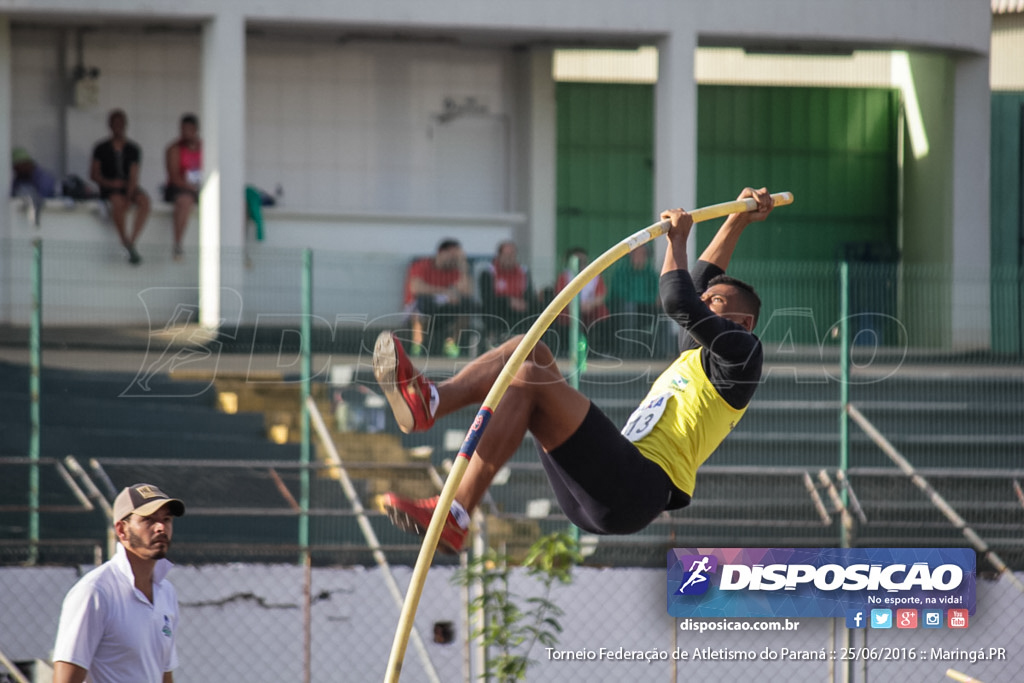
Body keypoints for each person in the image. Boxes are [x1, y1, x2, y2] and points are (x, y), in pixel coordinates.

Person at [374, 187, 774, 553]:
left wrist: (678, 240)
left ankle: (457, 512)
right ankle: (432, 404)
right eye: (706, 298)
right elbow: (699, 281)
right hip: (603, 488)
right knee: (527, 353)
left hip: (639, 488)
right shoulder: (700, 352)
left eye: (716, 300)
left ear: (744, 323)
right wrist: (736, 219)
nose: (706, 300)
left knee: (530, 379)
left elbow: (677, 297)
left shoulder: (741, 354)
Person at [52, 483, 185, 683]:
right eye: (148, 520)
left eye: (166, 519)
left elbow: (164, 675)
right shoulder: (95, 591)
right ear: (121, 530)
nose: (161, 527)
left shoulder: (166, 592)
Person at [403, 238, 481, 357]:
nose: (452, 259)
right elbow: (416, 288)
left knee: (467, 307)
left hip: (444, 309)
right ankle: (418, 344)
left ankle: (451, 344)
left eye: (456, 257)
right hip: (423, 306)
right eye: (451, 255)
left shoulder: (456, 270)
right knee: (420, 308)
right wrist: (445, 292)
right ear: (441, 253)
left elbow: (467, 291)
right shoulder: (423, 265)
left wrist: (463, 266)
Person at [91, 109, 150, 265]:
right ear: (110, 126)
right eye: (115, 123)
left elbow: (133, 175)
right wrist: (110, 183)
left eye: (121, 123)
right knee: (117, 202)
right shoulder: (101, 148)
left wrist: (130, 196)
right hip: (109, 188)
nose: (118, 126)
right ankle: (124, 240)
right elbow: (94, 174)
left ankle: (132, 240)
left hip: (127, 187)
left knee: (144, 201)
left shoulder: (133, 149)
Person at [608, 244, 665, 358]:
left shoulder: (651, 273)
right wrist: (646, 300)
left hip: (646, 309)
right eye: (635, 254)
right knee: (629, 307)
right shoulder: (621, 272)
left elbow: (655, 293)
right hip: (624, 309)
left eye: (642, 254)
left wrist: (649, 301)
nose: (638, 257)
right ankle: (627, 351)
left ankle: (661, 352)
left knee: (664, 310)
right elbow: (621, 293)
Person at [478, 240, 537, 347]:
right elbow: (487, 297)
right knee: (491, 307)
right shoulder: (488, 272)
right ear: (499, 256)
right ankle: (493, 339)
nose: (510, 258)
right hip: (498, 310)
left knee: (537, 307)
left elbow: (530, 294)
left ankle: (532, 342)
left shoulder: (523, 272)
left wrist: (523, 303)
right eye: (507, 255)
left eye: (512, 254)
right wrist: (508, 301)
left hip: (519, 310)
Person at [164, 114, 202, 261]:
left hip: (198, 188)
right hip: (178, 188)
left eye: (189, 129)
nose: (185, 132)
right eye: (183, 129)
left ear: (195, 129)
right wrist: (191, 188)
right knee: (185, 201)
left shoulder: (205, 148)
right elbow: (174, 176)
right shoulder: (174, 149)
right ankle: (178, 244)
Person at [11, 147, 59, 227]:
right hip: (23, 222)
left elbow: (43, 195)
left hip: (49, 219)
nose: (16, 170)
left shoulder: (44, 177)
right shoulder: (20, 178)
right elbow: (11, 193)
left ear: (26, 163)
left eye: (18, 167)